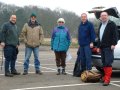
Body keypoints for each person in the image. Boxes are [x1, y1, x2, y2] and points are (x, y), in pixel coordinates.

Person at [97, 12, 118, 86]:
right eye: (102, 16)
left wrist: (113, 44)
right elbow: (99, 37)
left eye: (105, 15)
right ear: (100, 17)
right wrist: (98, 47)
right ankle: (105, 77)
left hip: (109, 47)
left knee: (108, 62)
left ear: (107, 16)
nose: (104, 17)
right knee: (104, 62)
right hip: (102, 47)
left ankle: (107, 80)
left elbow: (115, 35)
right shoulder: (101, 25)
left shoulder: (112, 24)